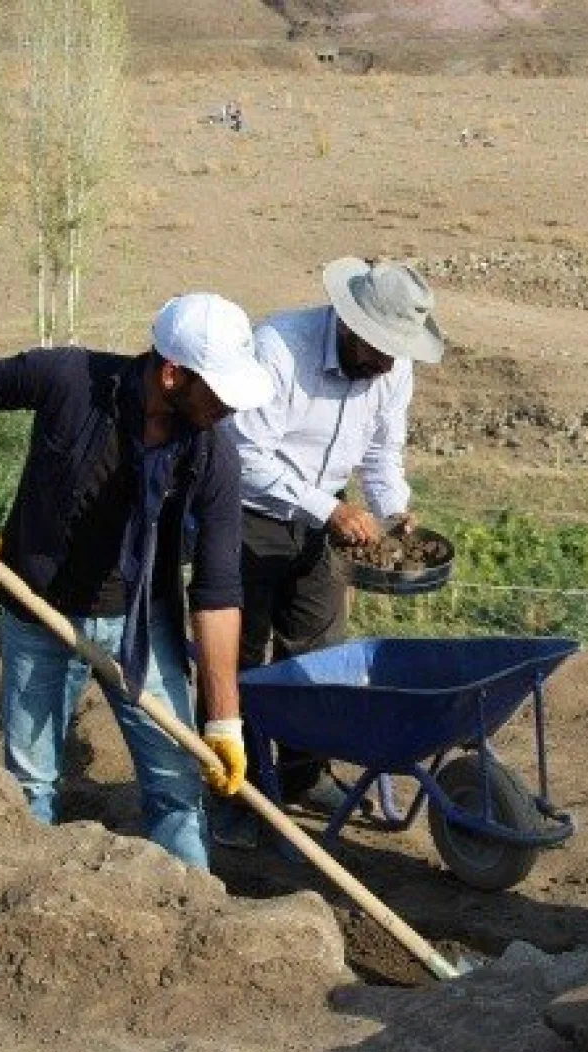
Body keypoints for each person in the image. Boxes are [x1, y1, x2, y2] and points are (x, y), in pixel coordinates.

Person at [0, 292, 274, 870]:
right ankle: (26, 892)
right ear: (173, 375)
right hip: (38, 612)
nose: (228, 409)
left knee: (176, 785)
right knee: (30, 784)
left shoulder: (212, 455)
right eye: (218, 393)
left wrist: (223, 719)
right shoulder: (69, 379)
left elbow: (216, 594)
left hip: (141, 625)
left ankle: (193, 905)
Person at [213, 258, 444, 846]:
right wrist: (330, 509)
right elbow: (246, 455)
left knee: (317, 653)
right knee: (238, 661)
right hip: (247, 514)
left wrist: (394, 511)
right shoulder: (280, 348)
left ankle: (302, 775)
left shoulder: (393, 367)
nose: (389, 363)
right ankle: (230, 793)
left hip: (324, 520)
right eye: (381, 348)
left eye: (399, 351)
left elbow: (383, 454)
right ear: (349, 324)